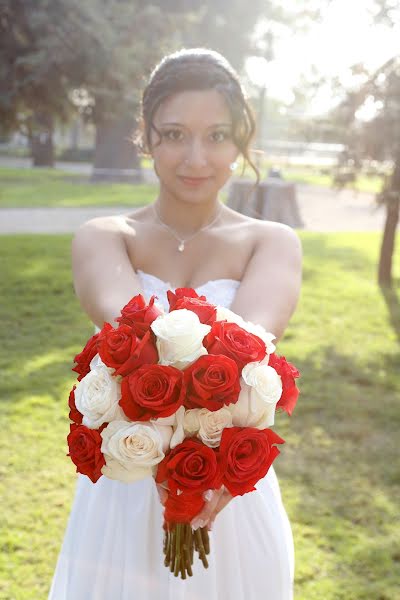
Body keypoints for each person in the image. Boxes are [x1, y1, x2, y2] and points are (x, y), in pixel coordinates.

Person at [49, 48, 302, 600]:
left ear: (241, 140)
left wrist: (213, 470)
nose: (195, 157)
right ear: (146, 136)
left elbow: (252, 353)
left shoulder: (272, 242)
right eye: (174, 134)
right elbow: (130, 340)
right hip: (128, 477)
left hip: (229, 487)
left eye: (216, 136)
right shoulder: (104, 236)